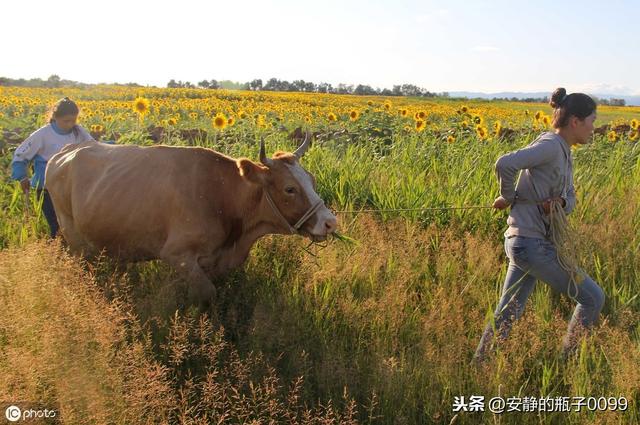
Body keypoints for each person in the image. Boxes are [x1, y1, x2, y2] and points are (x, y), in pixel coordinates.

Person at [474, 88, 605, 362]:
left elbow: (571, 197)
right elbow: (505, 163)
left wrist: (560, 203)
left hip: (525, 243)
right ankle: (567, 365)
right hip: (530, 245)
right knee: (593, 298)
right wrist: (508, 197)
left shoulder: (563, 150)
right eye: (592, 120)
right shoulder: (549, 146)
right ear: (575, 122)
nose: (595, 127)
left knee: (508, 312)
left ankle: (480, 366)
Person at [11, 97, 97, 239]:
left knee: (75, 226)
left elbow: (94, 147)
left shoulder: (78, 132)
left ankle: (74, 257)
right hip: (47, 189)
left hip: (72, 188)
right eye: (66, 121)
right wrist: (22, 176)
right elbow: (20, 156)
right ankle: (57, 255)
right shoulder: (42, 135)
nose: (70, 124)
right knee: (58, 227)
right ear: (55, 117)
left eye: (73, 120)